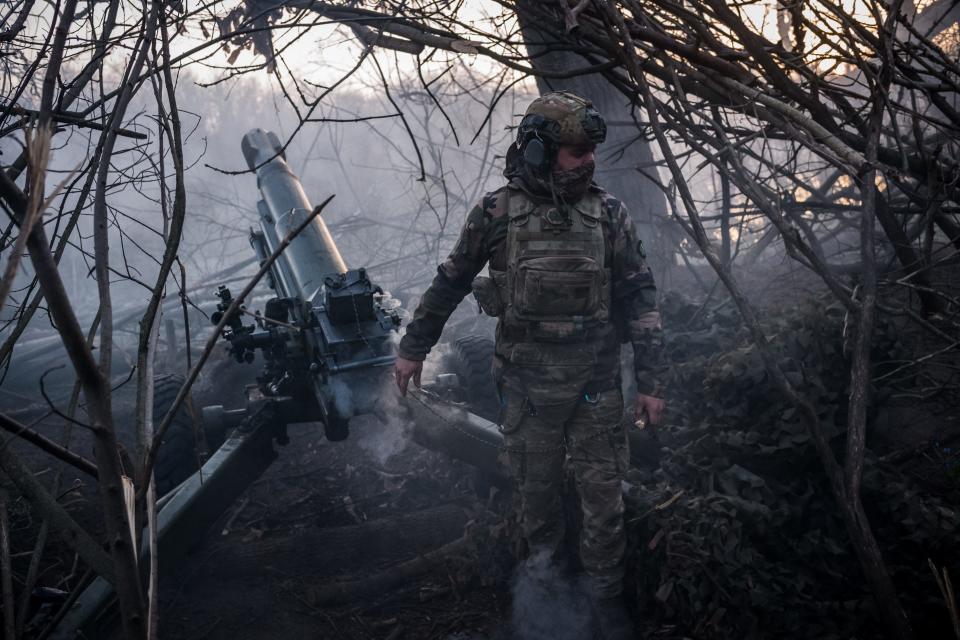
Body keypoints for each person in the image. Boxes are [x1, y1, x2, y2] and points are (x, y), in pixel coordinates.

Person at [394, 91, 666, 639]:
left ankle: (606, 612)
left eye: (589, 151)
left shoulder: (608, 212)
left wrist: (653, 383)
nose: (587, 160)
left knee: (604, 509)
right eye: (574, 151)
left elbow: (641, 296)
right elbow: (449, 282)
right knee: (539, 511)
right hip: (528, 393)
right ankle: (547, 611)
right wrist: (413, 348)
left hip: (595, 389)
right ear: (540, 152)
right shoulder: (496, 212)